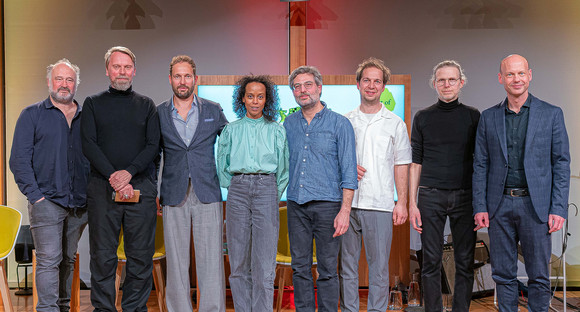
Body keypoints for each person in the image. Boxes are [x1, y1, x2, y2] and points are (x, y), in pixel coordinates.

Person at [473, 54, 570, 311]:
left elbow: (561, 163)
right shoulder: (488, 117)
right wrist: (480, 206)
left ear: (529, 74)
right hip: (499, 205)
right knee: (503, 274)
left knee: (539, 275)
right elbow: (480, 165)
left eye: (520, 73)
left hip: (535, 207)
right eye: (510, 74)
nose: (516, 79)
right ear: (501, 78)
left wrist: (558, 208)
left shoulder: (551, 114)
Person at [81, 46, 160, 311]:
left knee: (140, 258)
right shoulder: (93, 103)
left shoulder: (147, 105)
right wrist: (114, 176)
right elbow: (89, 144)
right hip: (102, 189)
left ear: (134, 71)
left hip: (141, 188)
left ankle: (135, 308)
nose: (122, 72)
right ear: (107, 70)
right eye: (116, 67)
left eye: (127, 67)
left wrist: (129, 173)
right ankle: (103, 308)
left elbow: (153, 145)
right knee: (102, 257)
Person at [10, 58, 89, 312]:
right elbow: (18, 161)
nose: (64, 85)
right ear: (49, 82)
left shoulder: (86, 116)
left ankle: (63, 308)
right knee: (48, 260)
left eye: (69, 80)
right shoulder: (31, 115)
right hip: (46, 201)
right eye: (59, 79)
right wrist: (36, 196)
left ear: (76, 84)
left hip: (78, 203)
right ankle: (47, 310)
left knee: (67, 260)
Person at [339, 57, 411, 312]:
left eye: (377, 81)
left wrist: (401, 201)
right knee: (347, 268)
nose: (371, 85)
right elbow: (333, 160)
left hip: (379, 205)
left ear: (383, 87)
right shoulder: (344, 121)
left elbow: (402, 164)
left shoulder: (395, 123)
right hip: (346, 205)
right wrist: (344, 169)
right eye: (366, 80)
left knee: (379, 268)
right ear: (357, 84)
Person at [283, 65, 358, 312]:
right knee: (300, 267)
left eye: (307, 85)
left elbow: (349, 171)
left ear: (319, 88)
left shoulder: (340, 124)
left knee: (327, 269)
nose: (302, 90)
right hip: (296, 205)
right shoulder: (288, 124)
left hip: (329, 207)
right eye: (297, 86)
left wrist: (344, 210)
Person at [408, 60, 480, 312]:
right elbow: (415, 163)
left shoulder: (473, 116)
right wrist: (412, 204)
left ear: (461, 82)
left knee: (464, 262)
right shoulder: (423, 117)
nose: (446, 84)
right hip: (430, 196)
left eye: (452, 79)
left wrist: (481, 203)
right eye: (441, 80)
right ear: (434, 84)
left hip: (465, 196)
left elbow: (480, 162)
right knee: (430, 262)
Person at [158, 55, 228, 312]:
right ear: (170, 79)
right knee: (176, 260)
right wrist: (156, 191)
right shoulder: (159, 113)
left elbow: (232, 144)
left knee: (211, 259)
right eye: (178, 76)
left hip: (207, 191)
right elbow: (153, 155)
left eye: (187, 76)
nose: (183, 81)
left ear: (195, 79)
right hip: (173, 193)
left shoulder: (213, 109)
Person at [217, 75, 289, 311]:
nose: (255, 101)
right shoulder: (231, 130)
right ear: (243, 99)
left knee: (264, 264)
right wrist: (235, 185)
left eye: (260, 96)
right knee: (238, 262)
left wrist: (270, 192)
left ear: (267, 100)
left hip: (267, 190)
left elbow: (284, 168)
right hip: (237, 190)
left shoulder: (276, 130)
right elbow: (222, 163)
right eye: (250, 96)